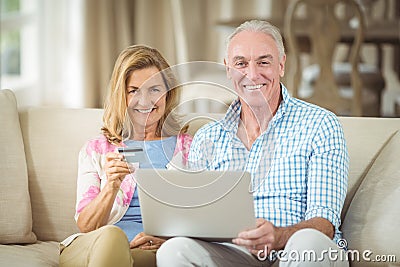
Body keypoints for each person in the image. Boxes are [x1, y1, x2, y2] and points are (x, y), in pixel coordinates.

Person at [156, 20, 349, 266]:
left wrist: (278, 236)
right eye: (241, 63)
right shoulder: (208, 137)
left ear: (281, 64)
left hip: (299, 251)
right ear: (228, 69)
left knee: (306, 242)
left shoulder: (320, 124)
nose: (252, 74)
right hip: (236, 255)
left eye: (263, 62)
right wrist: (165, 230)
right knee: (174, 250)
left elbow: (325, 224)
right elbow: (192, 216)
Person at [59, 45, 192, 267]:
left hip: (153, 252)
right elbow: (86, 226)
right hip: (95, 248)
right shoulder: (97, 150)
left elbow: (205, 217)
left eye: (154, 90)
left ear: (168, 93)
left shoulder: (190, 149)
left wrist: (170, 238)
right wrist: (111, 186)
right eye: (134, 90)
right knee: (113, 237)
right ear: (121, 95)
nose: (145, 100)